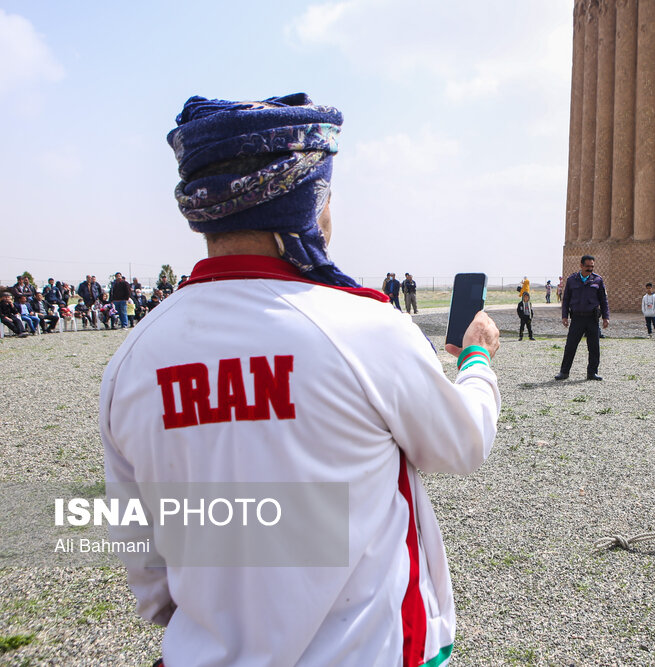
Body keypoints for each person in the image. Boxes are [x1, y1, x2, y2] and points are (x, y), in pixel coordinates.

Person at [101, 93, 502, 666]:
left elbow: (143, 557)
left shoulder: (133, 358)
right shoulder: (364, 330)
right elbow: (462, 444)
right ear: (305, 204)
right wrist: (477, 358)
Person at [555, 254, 609, 381]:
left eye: (592, 267)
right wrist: (564, 316)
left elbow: (603, 300)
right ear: (581, 265)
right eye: (587, 266)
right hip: (577, 318)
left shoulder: (598, 280)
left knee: (594, 347)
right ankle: (564, 372)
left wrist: (606, 317)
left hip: (592, 319)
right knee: (570, 346)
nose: (590, 269)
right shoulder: (572, 280)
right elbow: (566, 299)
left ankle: (592, 373)